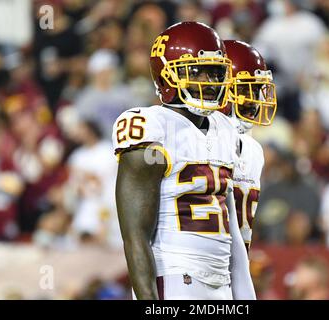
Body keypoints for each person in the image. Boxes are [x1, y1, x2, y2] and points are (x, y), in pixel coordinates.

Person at [113, 22, 254, 300]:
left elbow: (233, 230)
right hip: (176, 277)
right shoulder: (152, 127)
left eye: (215, 72)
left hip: (220, 280)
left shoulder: (225, 128)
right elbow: (135, 236)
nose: (209, 82)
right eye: (196, 71)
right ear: (167, 75)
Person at [220, 40, 277, 252]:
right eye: (246, 89)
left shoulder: (253, 150)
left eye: (257, 90)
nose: (254, 100)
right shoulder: (192, 139)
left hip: (230, 267)